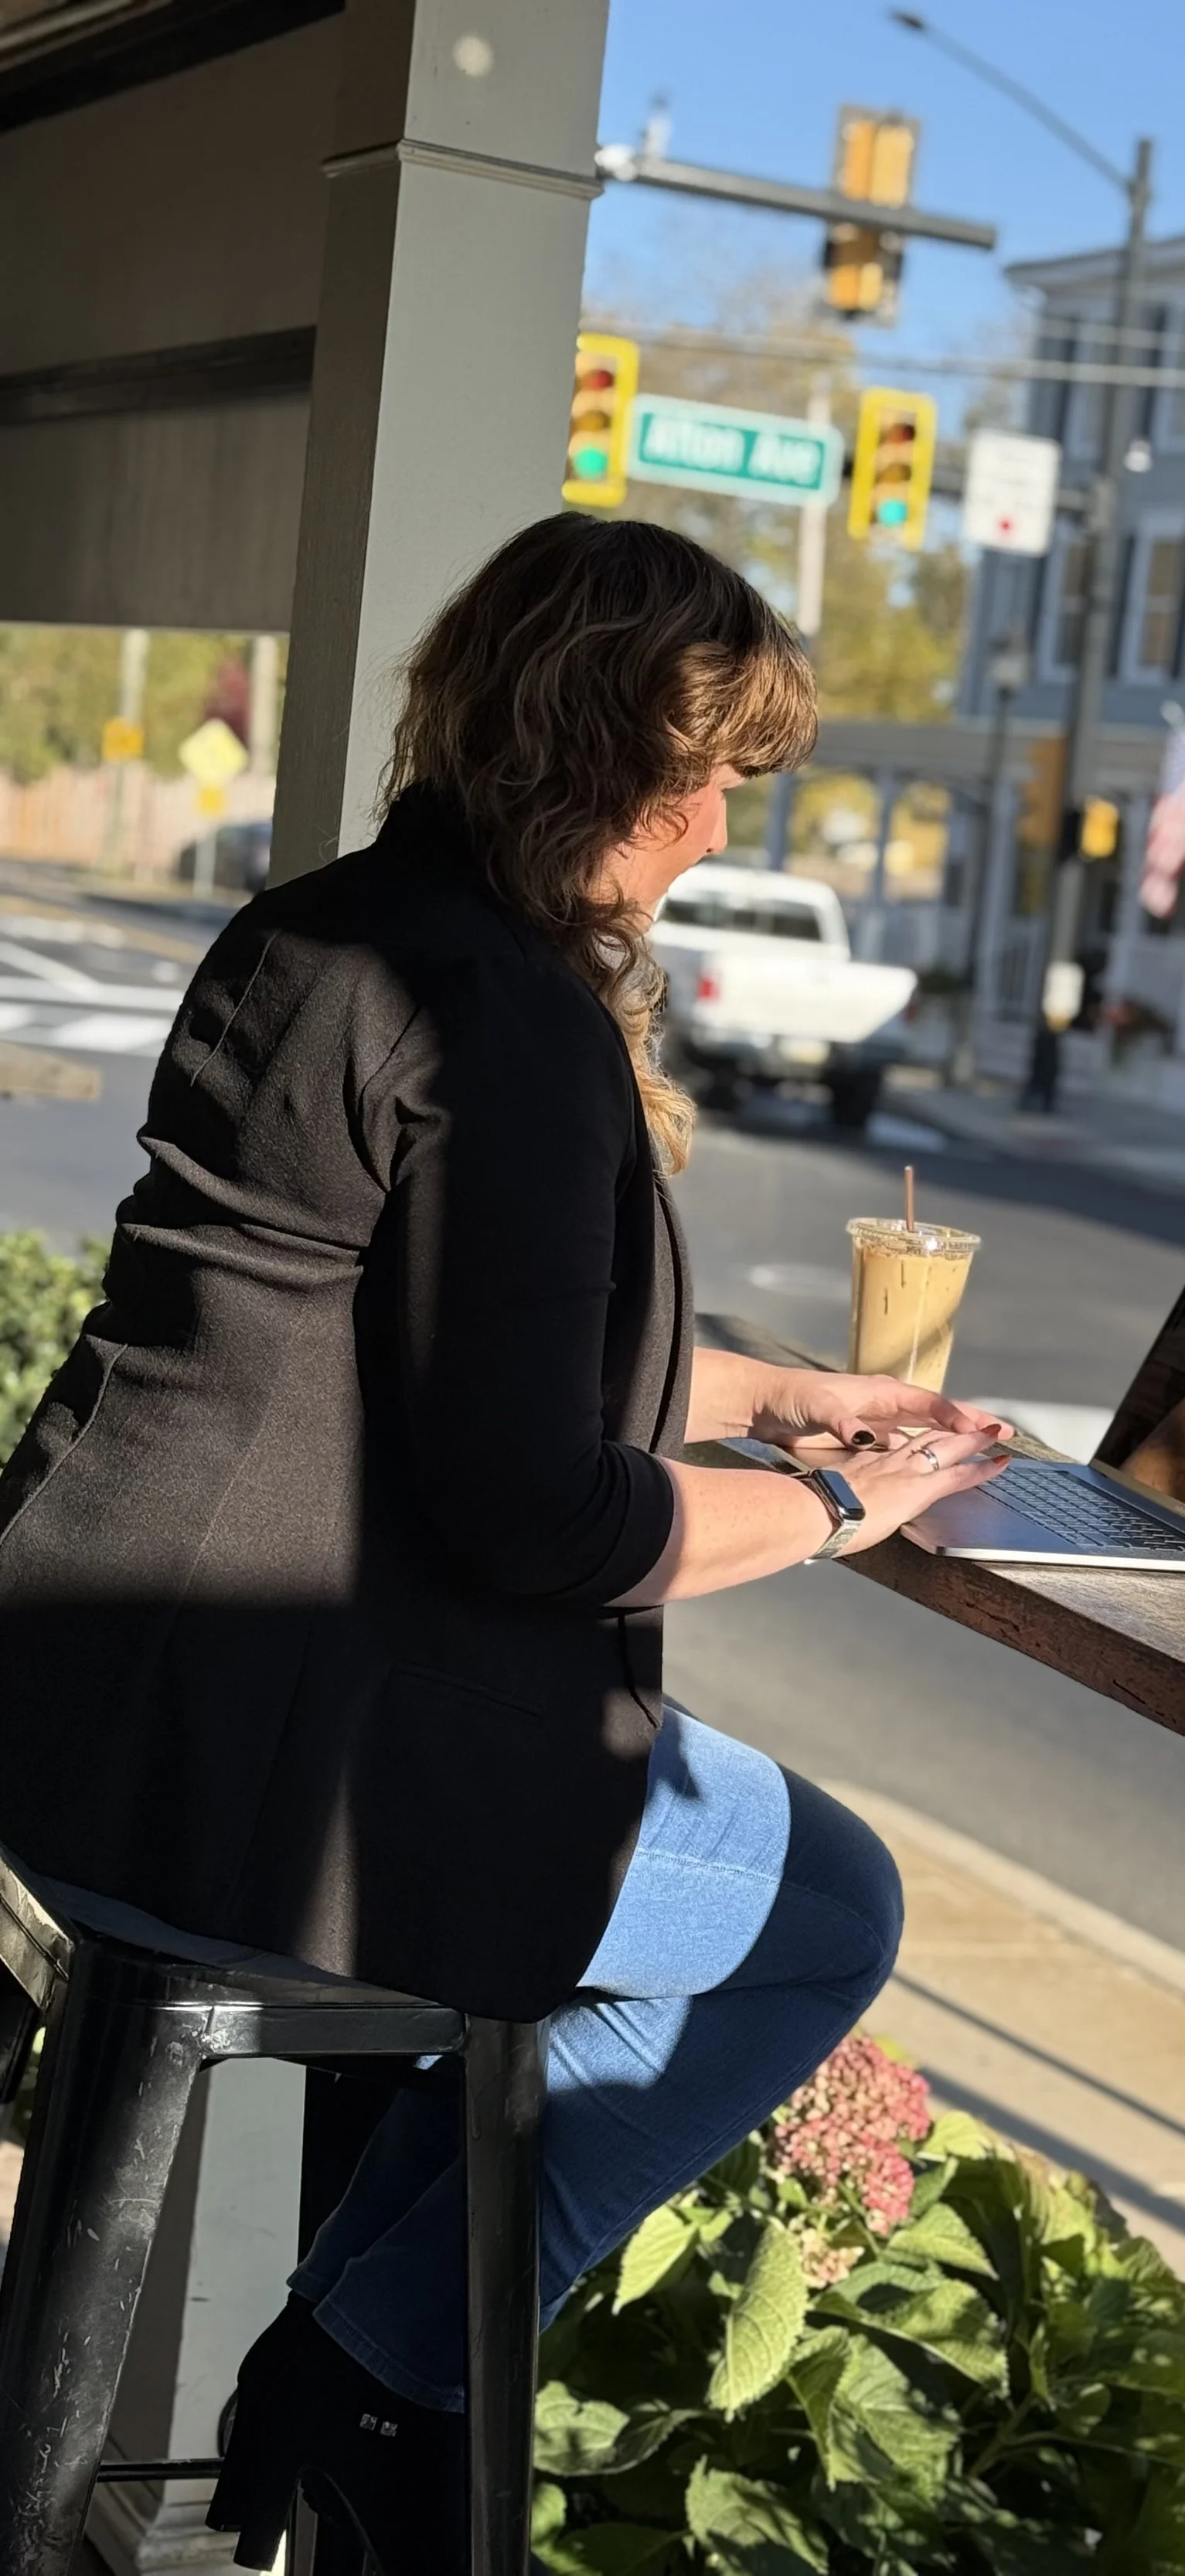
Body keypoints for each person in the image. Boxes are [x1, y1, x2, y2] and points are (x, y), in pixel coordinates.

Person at [0, 516, 1011, 2569]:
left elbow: (447, 1341)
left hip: (80, 1705)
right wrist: (837, 1504)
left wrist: (779, 1394)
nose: (725, 812)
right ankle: (380, 2360)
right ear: (592, 748)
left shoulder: (332, 927)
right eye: (706, 762)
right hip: (253, 1771)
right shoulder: (511, 1021)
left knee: (680, 1853)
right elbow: (544, 1510)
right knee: (822, 1908)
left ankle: (368, 2350)